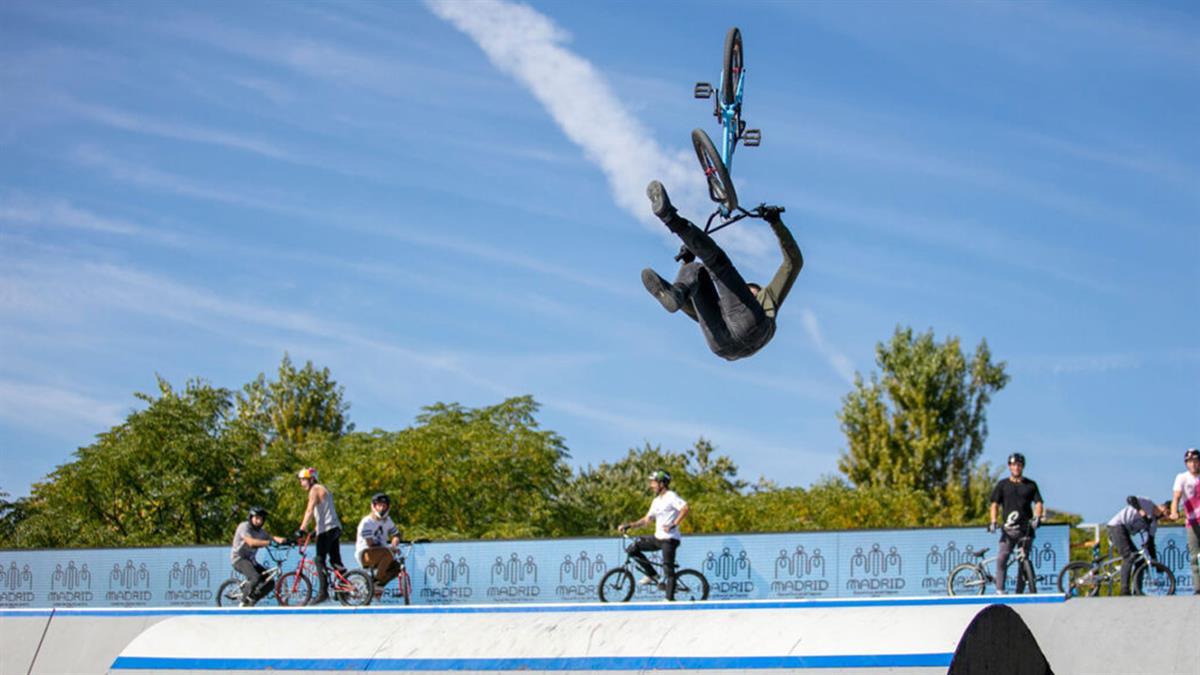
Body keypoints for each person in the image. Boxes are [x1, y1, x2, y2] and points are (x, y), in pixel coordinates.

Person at [640, 180, 802, 361]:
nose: (746, 291)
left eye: (751, 290)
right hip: (721, 344)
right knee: (697, 271)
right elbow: (694, 309)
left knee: (717, 263)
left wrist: (777, 224)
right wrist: (687, 262)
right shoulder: (723, 307)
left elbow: (793, 263)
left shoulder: (769, 296)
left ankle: (670, 217)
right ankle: (678, 291)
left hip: (748, 330)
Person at [617, 470, 690, 601]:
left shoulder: (671, 496)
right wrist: (629, 525)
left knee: (668, 569)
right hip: (657, 538)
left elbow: (685, 508)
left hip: (670, 539)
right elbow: (646, 520)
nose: (651, 485)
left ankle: (669, 599)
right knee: (632, 549)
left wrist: (674, 524)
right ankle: (653, 575)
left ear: (662, 483)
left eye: (653, 482)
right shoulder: (656, 501)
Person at [988, 452, 1044, 594]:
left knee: (1023, 561)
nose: (1016, 468)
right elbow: (994, 504)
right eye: (1013, 465)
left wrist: (1037, 517)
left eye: (1019, 465)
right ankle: (1000, 589)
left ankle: (1019, 591)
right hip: (1008, 531)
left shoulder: (1030, 485)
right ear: (1009, 467)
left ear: (1022, 467)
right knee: (1002, 557)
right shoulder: (1002, 485)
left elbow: (1038, 503)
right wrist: (993, 521)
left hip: (1026, 530)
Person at [297, 467, 344, 604]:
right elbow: (324, 513)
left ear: (312, 479)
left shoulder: (315, 489)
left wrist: (302, 529)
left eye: (304, 480)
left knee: (319, 559)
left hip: (327, 529)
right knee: (335, 561)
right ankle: (345, 587)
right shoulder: (323, 489)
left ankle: (323, 593)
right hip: (334, 528)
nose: (302, 483)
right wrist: (315, 530)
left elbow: (309, 510)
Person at [1107, 495, 1170, 595]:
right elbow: (1130, 499)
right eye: (1166, 513)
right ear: (1162, 507)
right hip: (1116, 526)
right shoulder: (1148, 503)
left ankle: (1137, 590)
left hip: (1125, 532)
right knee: (1129, 557)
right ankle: (1124, 590)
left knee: (1140, 561)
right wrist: (1140, 510)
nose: (1163, 516)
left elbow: (1150, 544)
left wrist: (1156, 563)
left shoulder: (1153, 523)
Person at [229, 506, 287, 607]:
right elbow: (251, 542)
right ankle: (243, 602)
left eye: (261, 519)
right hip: (239, 559)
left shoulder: (261, 532)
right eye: (256, 518)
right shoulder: (244, 527)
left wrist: (285, 541)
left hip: (251, 561)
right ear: (251, 517)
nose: (258, 521)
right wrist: (268, 543)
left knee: (270, 582)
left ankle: (253, 599)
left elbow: (272, 538)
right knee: (255, 577)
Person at [356, 492, 402, 596]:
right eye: (379, 505)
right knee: (388, 553)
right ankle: (375, 581)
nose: (382, 508)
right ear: (374, 506)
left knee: (396, 567)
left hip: (382, 553)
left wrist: (394, 544)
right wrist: (390, 549)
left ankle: (378, 585)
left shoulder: (388, 521)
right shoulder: (367, 522)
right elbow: (370, 543)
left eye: (384, 505)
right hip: (365, 553)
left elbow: (396, 534)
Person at [1169, 447, 1200, 594]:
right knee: (1194, 556)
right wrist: (1174, 512)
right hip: (1192, 521)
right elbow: (1176, 497)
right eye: (1190, 462)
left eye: (1195, 461)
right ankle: (1198, 588)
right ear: (1186, 464)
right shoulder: (1182, 477)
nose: (1193, 464)